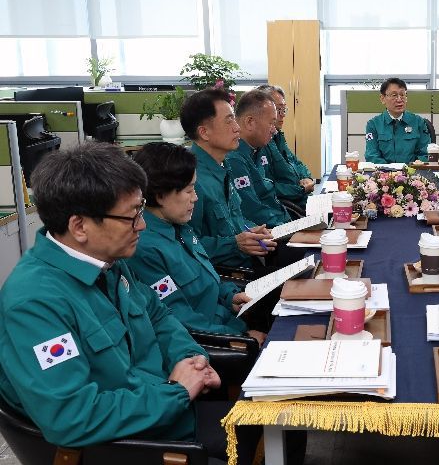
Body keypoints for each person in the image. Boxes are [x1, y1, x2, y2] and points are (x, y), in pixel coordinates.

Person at [0, 142, 237, 459]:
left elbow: (158, 315)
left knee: (277, 426)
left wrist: (189, 358)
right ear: (80, 226)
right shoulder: (34, 303)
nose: (142, 224)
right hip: (137, 444)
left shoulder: (108, 262)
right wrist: (176, 393)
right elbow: (71, 415)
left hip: (168, 412)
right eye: (131, 216)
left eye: (141, 210)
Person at [127, 142, 267, 344]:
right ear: (161, 196)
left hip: (229, 319)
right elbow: (180, 319)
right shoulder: (145, 248)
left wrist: (229, 297)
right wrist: (240, 339)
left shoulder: (179, 226)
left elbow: (206, 277)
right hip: (214, 340)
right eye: (189, 190)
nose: (195, 198)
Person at [180, 88, 277, 270]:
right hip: (229, 274)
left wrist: (255, 231)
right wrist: (234, 244)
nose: (237, 128)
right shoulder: (190, 179)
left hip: (252, 260)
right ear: (204, 132)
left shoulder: (223, 166)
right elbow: (186, 244)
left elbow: (235, 219)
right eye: (229, 120)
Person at [227, 90, 292, 228]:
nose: (274, 130)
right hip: (269, 231)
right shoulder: (234, 159)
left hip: (280, 221)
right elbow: (253, 211)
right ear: (250, 122)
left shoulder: (256, 150)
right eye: (271, 123)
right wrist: (288, 228)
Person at [257, 84, 315, 212]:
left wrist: (307, 177)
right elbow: (267, 187)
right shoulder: (260, 143)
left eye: (284, 109)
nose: (282, 115)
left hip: (301, 197)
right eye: (278, 110)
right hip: (289, 205)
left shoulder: (277, 136)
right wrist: (300, 190)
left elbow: (295, 162)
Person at [364, 77, 432, 164]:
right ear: (382, 98)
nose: (399, 99)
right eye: (394, 95)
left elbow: (426, 154)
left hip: (413, 171)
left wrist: (411, 168)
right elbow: (371, 155)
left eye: (402, 95)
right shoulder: (373, 124)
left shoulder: (418, 122)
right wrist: (389, 170)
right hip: (384, 171)